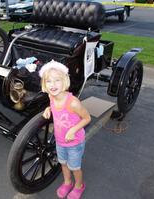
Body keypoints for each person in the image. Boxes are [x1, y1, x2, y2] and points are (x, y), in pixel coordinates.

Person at [40, 60, 91, 199]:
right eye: (49, 81)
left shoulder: (73, 102)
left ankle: (79, 185)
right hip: (60, 141)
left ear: (65, 81)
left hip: (75, 142)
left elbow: (87, 118)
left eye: (57, 80)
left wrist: (73, 130)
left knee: (75, 167)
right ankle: (67, 182)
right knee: (63, 163)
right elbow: (53, 107)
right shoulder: (51, 96)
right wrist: (48, 109)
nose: (53, 85)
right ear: (44, 84)